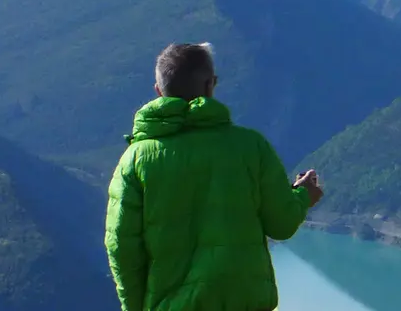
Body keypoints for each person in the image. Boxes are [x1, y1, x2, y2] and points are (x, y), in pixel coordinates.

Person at [105, 43, 324, 311]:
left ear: (158, 91)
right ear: (211, 85)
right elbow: (281, 223)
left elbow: (121, 247)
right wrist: (303, 195)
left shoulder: (135, 160)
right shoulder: (250, 147)